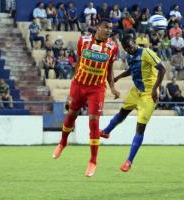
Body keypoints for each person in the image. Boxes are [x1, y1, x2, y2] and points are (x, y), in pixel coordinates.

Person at [52, 19, 120, 177]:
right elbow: (79, 62)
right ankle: (62, 143)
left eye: (110, 28)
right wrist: (74, 83)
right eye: (106, 27)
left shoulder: (112, 47)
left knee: (94, 122)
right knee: (71, 115)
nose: (109, 30)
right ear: (98, 27)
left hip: (96, 88)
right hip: (79, 85)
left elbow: (109, 70)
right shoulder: (83, 40)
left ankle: (93, 161)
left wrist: (113, 88)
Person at [100, 32, 166, 172]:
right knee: (122, 113)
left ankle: (129, 161)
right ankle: (106, 132)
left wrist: (155, 89)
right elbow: (132, 70)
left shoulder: (146, 52)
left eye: (130, 46)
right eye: (125, 48)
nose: (128, 50)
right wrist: (118, 77)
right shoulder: (131, 56)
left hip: (149, 94)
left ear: (134, 43)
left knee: (140, 128)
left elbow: (162, 69)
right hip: (136, 91)